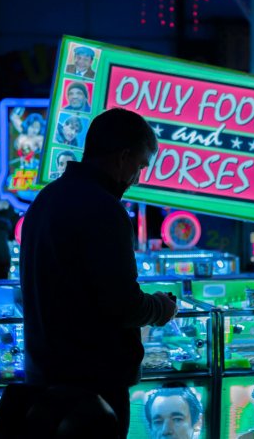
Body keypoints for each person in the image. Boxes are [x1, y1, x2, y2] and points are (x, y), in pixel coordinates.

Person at [21, 108, 177, 438]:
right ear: (123, 157)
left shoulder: (47, 198)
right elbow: (123, 305)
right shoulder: (104, 209)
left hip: (45, 375)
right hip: (92, 385)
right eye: (141, 165)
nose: (138, 178)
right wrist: (162, 308)